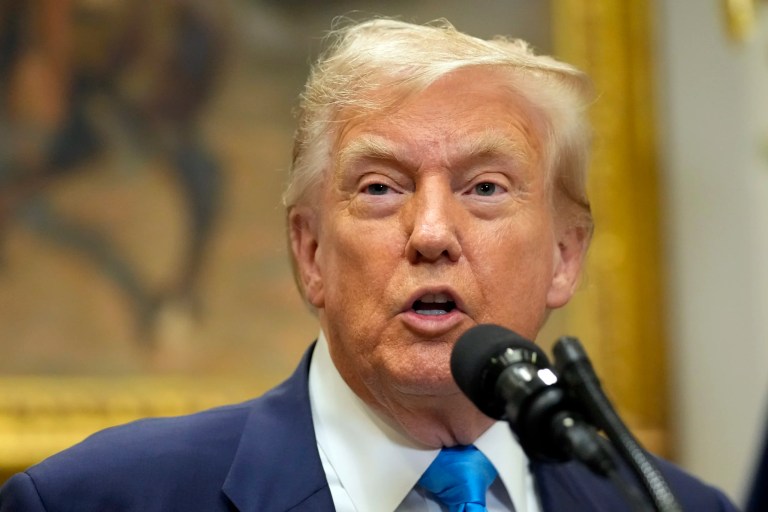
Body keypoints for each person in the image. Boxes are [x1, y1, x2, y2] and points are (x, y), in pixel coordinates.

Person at [0, 18, 739, 512]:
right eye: (381, 188)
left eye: (485, 188)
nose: (432, 233)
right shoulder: (96, 500)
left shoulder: (676, 507)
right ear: (311, 252)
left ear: (564, 256)